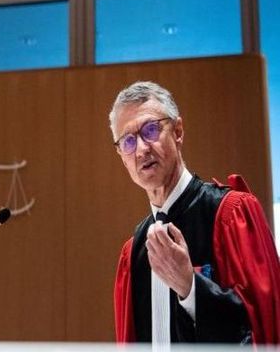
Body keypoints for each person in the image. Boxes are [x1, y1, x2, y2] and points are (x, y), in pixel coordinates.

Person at [110, 81, 280, 344]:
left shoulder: (232, 214)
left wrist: (191, 288)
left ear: (178, 131)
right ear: (122, 156)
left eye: (151, 129)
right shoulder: (132, 253)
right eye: (129, 141)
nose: (142, 149)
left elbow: (264, 331)